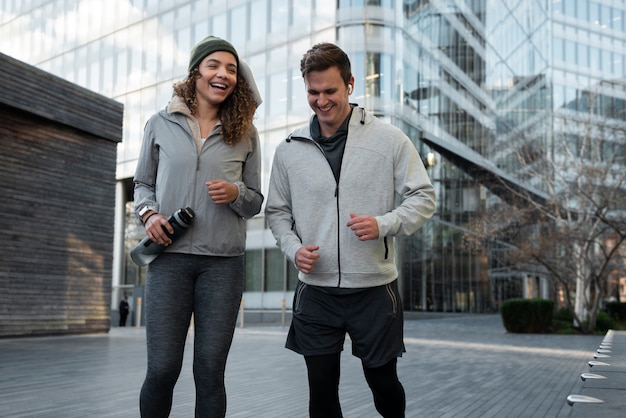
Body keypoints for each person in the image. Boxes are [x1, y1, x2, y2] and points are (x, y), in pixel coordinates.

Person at [265, 43, 436, 418]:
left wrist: (383, 223)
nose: (321, 100)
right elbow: (277, 212)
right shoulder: (289, 149)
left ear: (350, 85)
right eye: (313, 92)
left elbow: (423, 198)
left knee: (383, 383)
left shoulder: (389, 140)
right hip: (317, 290)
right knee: (321, 390)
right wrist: (294, 249)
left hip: (374, 291)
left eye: (330, 91)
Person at [133, 36, 263, 418]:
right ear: (195, 72)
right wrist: (149, 214)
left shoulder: (246, 133)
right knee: (161, 370)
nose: (223, 74)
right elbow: (142, 183)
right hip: (168, 259)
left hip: (222, 265)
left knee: (209, 373)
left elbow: (255, 200)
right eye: (214, 65)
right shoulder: (159, 124)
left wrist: (235, 192)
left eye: (231, 69)